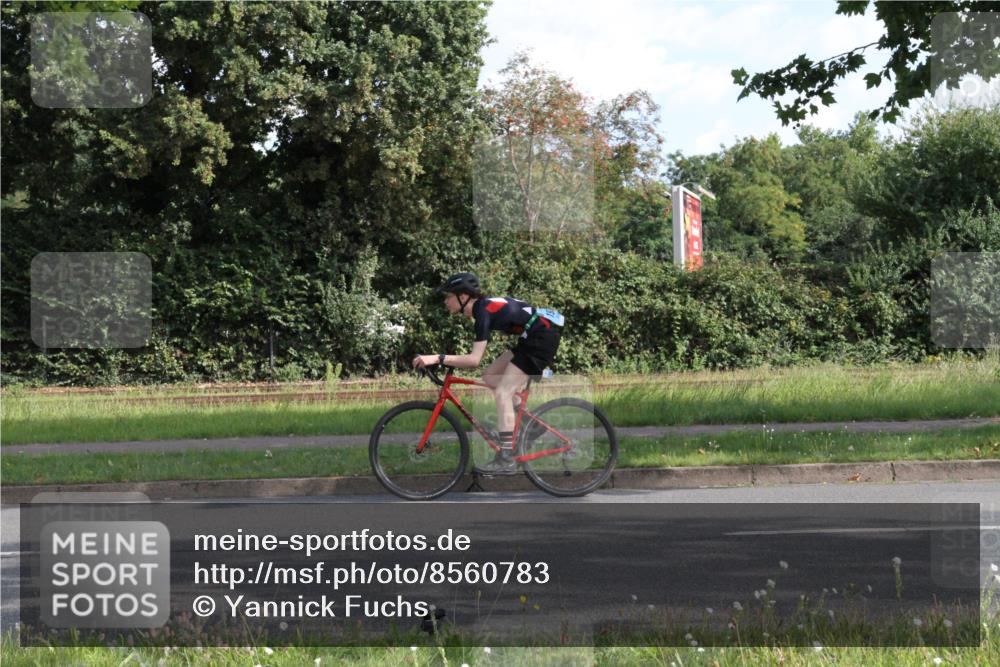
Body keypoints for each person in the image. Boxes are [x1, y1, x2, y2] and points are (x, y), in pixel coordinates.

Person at [412, 272, 563, 475]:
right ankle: (532, 426)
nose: (445, 301)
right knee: (490, 376)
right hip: (535, 334)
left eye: (448, 296)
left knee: (503, 392)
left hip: (541, 334)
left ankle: (506, 458)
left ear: (463, 297)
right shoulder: (482, 309)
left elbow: (474, 360)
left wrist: (437, 358)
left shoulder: (482, 312)